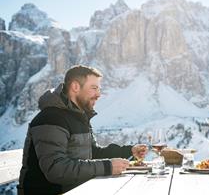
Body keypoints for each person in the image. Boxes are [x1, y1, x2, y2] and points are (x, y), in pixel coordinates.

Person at [17, 65, 148, 195]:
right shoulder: (51, 118)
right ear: (75, 87)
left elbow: (93, 152)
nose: (99, 94)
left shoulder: (78, 116)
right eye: (94, 88)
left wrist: (129, 150)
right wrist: (108, 167)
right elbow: (56, 170)